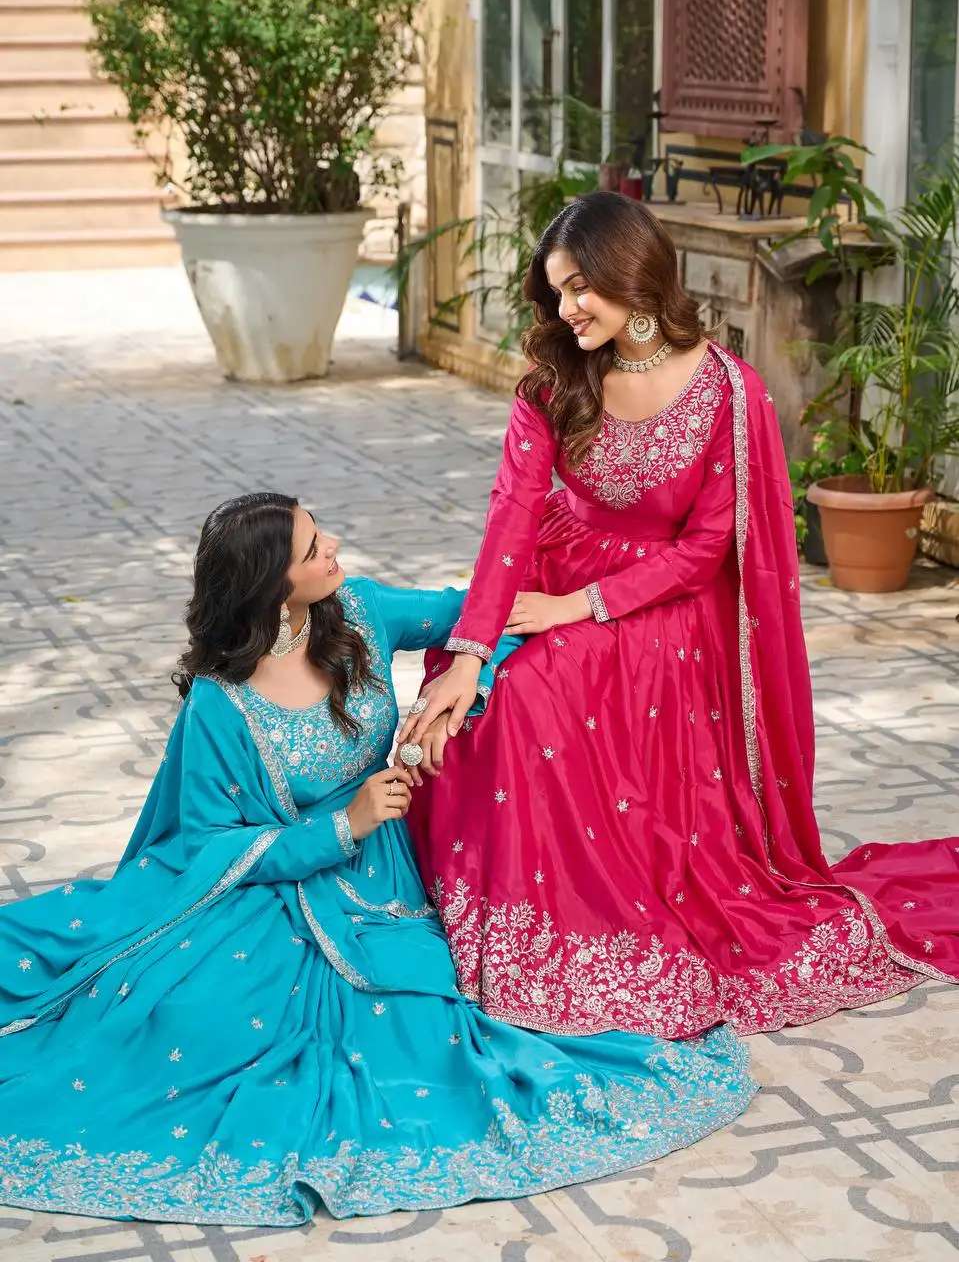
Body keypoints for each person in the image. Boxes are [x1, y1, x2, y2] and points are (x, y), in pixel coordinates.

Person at [0, 492, 755, 1227]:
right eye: (312, 548)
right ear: (271, 586)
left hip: (385, 877)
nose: (332, 546)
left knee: (420, 1029)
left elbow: (485, 614)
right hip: (283, 880)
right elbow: (205, 841)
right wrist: (341, 826)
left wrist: (462, 687)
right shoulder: (221, 702)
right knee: (198, 1020)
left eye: (319, 530)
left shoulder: (359, 609)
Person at [401, 190, 959, 1040]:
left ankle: (569, 921)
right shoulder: (555, 381)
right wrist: (474, 647)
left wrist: (576, 609)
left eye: (580, 286)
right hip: (555, 571)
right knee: (466, 689)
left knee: (536, 695)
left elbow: (704, 552)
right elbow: (510, 518)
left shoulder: (727, 393)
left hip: (663, 604)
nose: (566, 309)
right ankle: (486, 910)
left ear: (632, 273)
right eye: (555, 291)